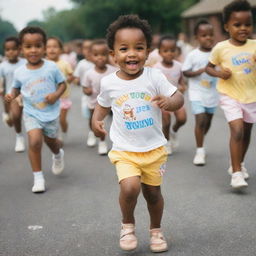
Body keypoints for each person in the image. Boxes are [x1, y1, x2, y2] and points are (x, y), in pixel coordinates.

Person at [92, 15, 184, 253]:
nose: (131, 54)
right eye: (124, 49)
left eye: (138, 48)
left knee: (153, 193)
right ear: (113, 54)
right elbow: (102, 104)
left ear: (148, 52)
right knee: (130, 187)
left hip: (154, 149)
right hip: (125, 150)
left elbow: (178, 97)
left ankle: (156, 231)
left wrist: (170, 102)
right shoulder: (108, 82)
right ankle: (127, 225)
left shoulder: (154, 76)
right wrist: (96, 120)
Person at [5, 26, 66, 193]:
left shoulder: (52, 67)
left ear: (44, 47)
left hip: (51, 112)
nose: (33, 50)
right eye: (28, 46)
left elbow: (63, 84)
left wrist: (55, 95)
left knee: (51, 141)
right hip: (31, 113)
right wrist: (11, 94)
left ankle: (58, 154)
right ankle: (38, 177)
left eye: (38, 46)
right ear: (21, 49)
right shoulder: (20, 72)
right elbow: (16, 88)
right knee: (34, 141)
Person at [206, 0, 256, 189]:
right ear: (227, 26)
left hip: (251, 96)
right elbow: (208, 68)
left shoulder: (254, 45)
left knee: (247, 132)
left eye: (248, 24)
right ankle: (236, 174)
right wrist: (219, 73)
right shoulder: (221, 47)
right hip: (230, 94)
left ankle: (239, 163)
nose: (243, 28)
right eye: (237, 24)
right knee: (237, 130)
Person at [182, 20, 218, 166]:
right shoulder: (193, 55)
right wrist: (200, 71)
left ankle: (200, 138)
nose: (208, 38)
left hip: (212, 93)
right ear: (196, 37)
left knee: (208, 121)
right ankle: (200, 151)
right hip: (197, 92)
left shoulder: (217, 53)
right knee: (200, 120)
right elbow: (185, 72)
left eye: (210, 35)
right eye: (204, 35)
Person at [82, 39, 116, 154]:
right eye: (96, 55)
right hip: (94, 103)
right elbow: (84, 87)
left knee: (116, 120)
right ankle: (96, 136)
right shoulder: (89, 73)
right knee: (94, 121)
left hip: (111, 102)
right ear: (90, 57)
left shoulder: (114, 71)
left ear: (109, 55)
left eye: (103, 54)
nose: (100, 57)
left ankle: (109, 142)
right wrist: (88, 91)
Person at [153, 35, 187, 155]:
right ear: (160, 52)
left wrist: (183, 87)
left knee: (182, 118)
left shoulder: (178, 66)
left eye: (172, 50)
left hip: (175, 98)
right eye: (165, 51)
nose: (169, 53)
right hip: (162, 99)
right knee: (166, 121)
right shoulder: (156, 68)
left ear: (176, 51)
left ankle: (174, 130)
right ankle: (166, 142)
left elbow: (182, 82)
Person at [0, 36, 26, 152]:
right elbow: (2, 81)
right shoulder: (3, 66)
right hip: (12, 95)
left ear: (19, 49)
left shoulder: (25, 63)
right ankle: (19, 136)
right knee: (15, 116)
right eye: (7, 49)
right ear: (4, 51)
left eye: (14, 49)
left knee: (18, 117)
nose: (10, 52)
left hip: (27, 94)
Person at [46, 37, 74, 143]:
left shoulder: (64, 64)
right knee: (52, 120)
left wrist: (69, 79)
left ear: (61, 50)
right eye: (49, 47)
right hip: (49, 97)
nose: (52, 49)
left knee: (62, 120)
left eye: (55, 47)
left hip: (63, 97)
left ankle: (64, 132)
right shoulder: (44, 64)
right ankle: (55, 137)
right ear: (44, 49)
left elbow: (71, 76)